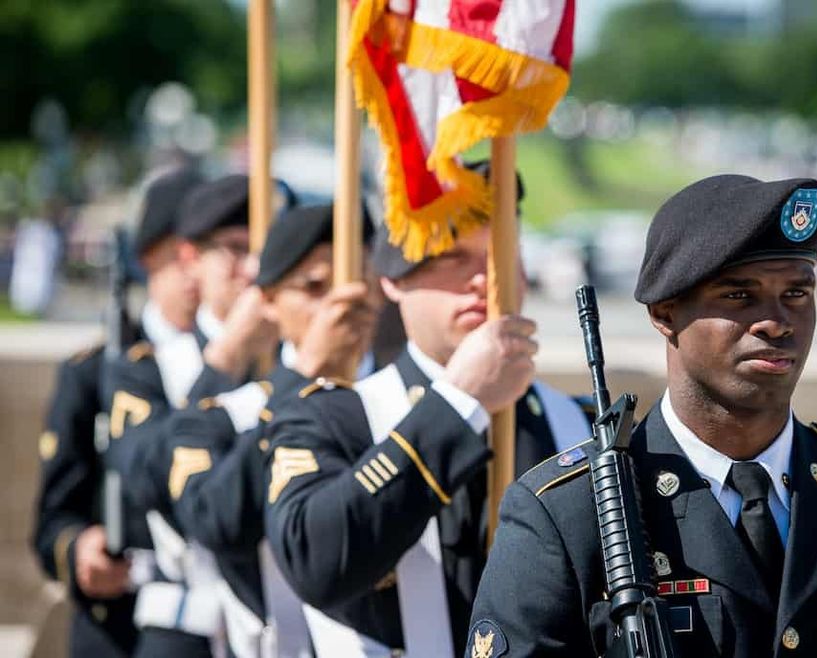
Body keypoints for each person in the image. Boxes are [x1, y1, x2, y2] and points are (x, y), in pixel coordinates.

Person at [466, 175, 817, 658]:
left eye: (797, 293)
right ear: (664, 313)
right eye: (739, 296)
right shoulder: (567, 514)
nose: (776, 321)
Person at [263, 162, 594, 657]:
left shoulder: (582, 424)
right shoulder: (333, 416)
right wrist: (460, 403)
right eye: (451, 257)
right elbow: (317, 561)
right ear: (392, 281)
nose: (484, 278)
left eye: (500, 253)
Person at [159, 203, 379, 658]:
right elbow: (216, 520)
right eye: (315, 287)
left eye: (354, 281)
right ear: (269, 302)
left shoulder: (409, 401)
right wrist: (304, 376)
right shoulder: (224, 415)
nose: (342, 304)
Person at [104, 173, 286, 658]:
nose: (250, 268)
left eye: (263, 251)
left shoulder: (300, 358)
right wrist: (225, 360)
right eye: (233, 248)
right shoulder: (149, 367)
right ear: (191, 260)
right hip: (191, 625)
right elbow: (148, 474)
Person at [31, 165, 202, 658]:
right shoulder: (93, 372)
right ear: (151, 257)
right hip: (123, 628)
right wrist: (80, 549)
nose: (197, 274)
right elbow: (53, 519)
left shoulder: (256, 365)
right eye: (183, 255)